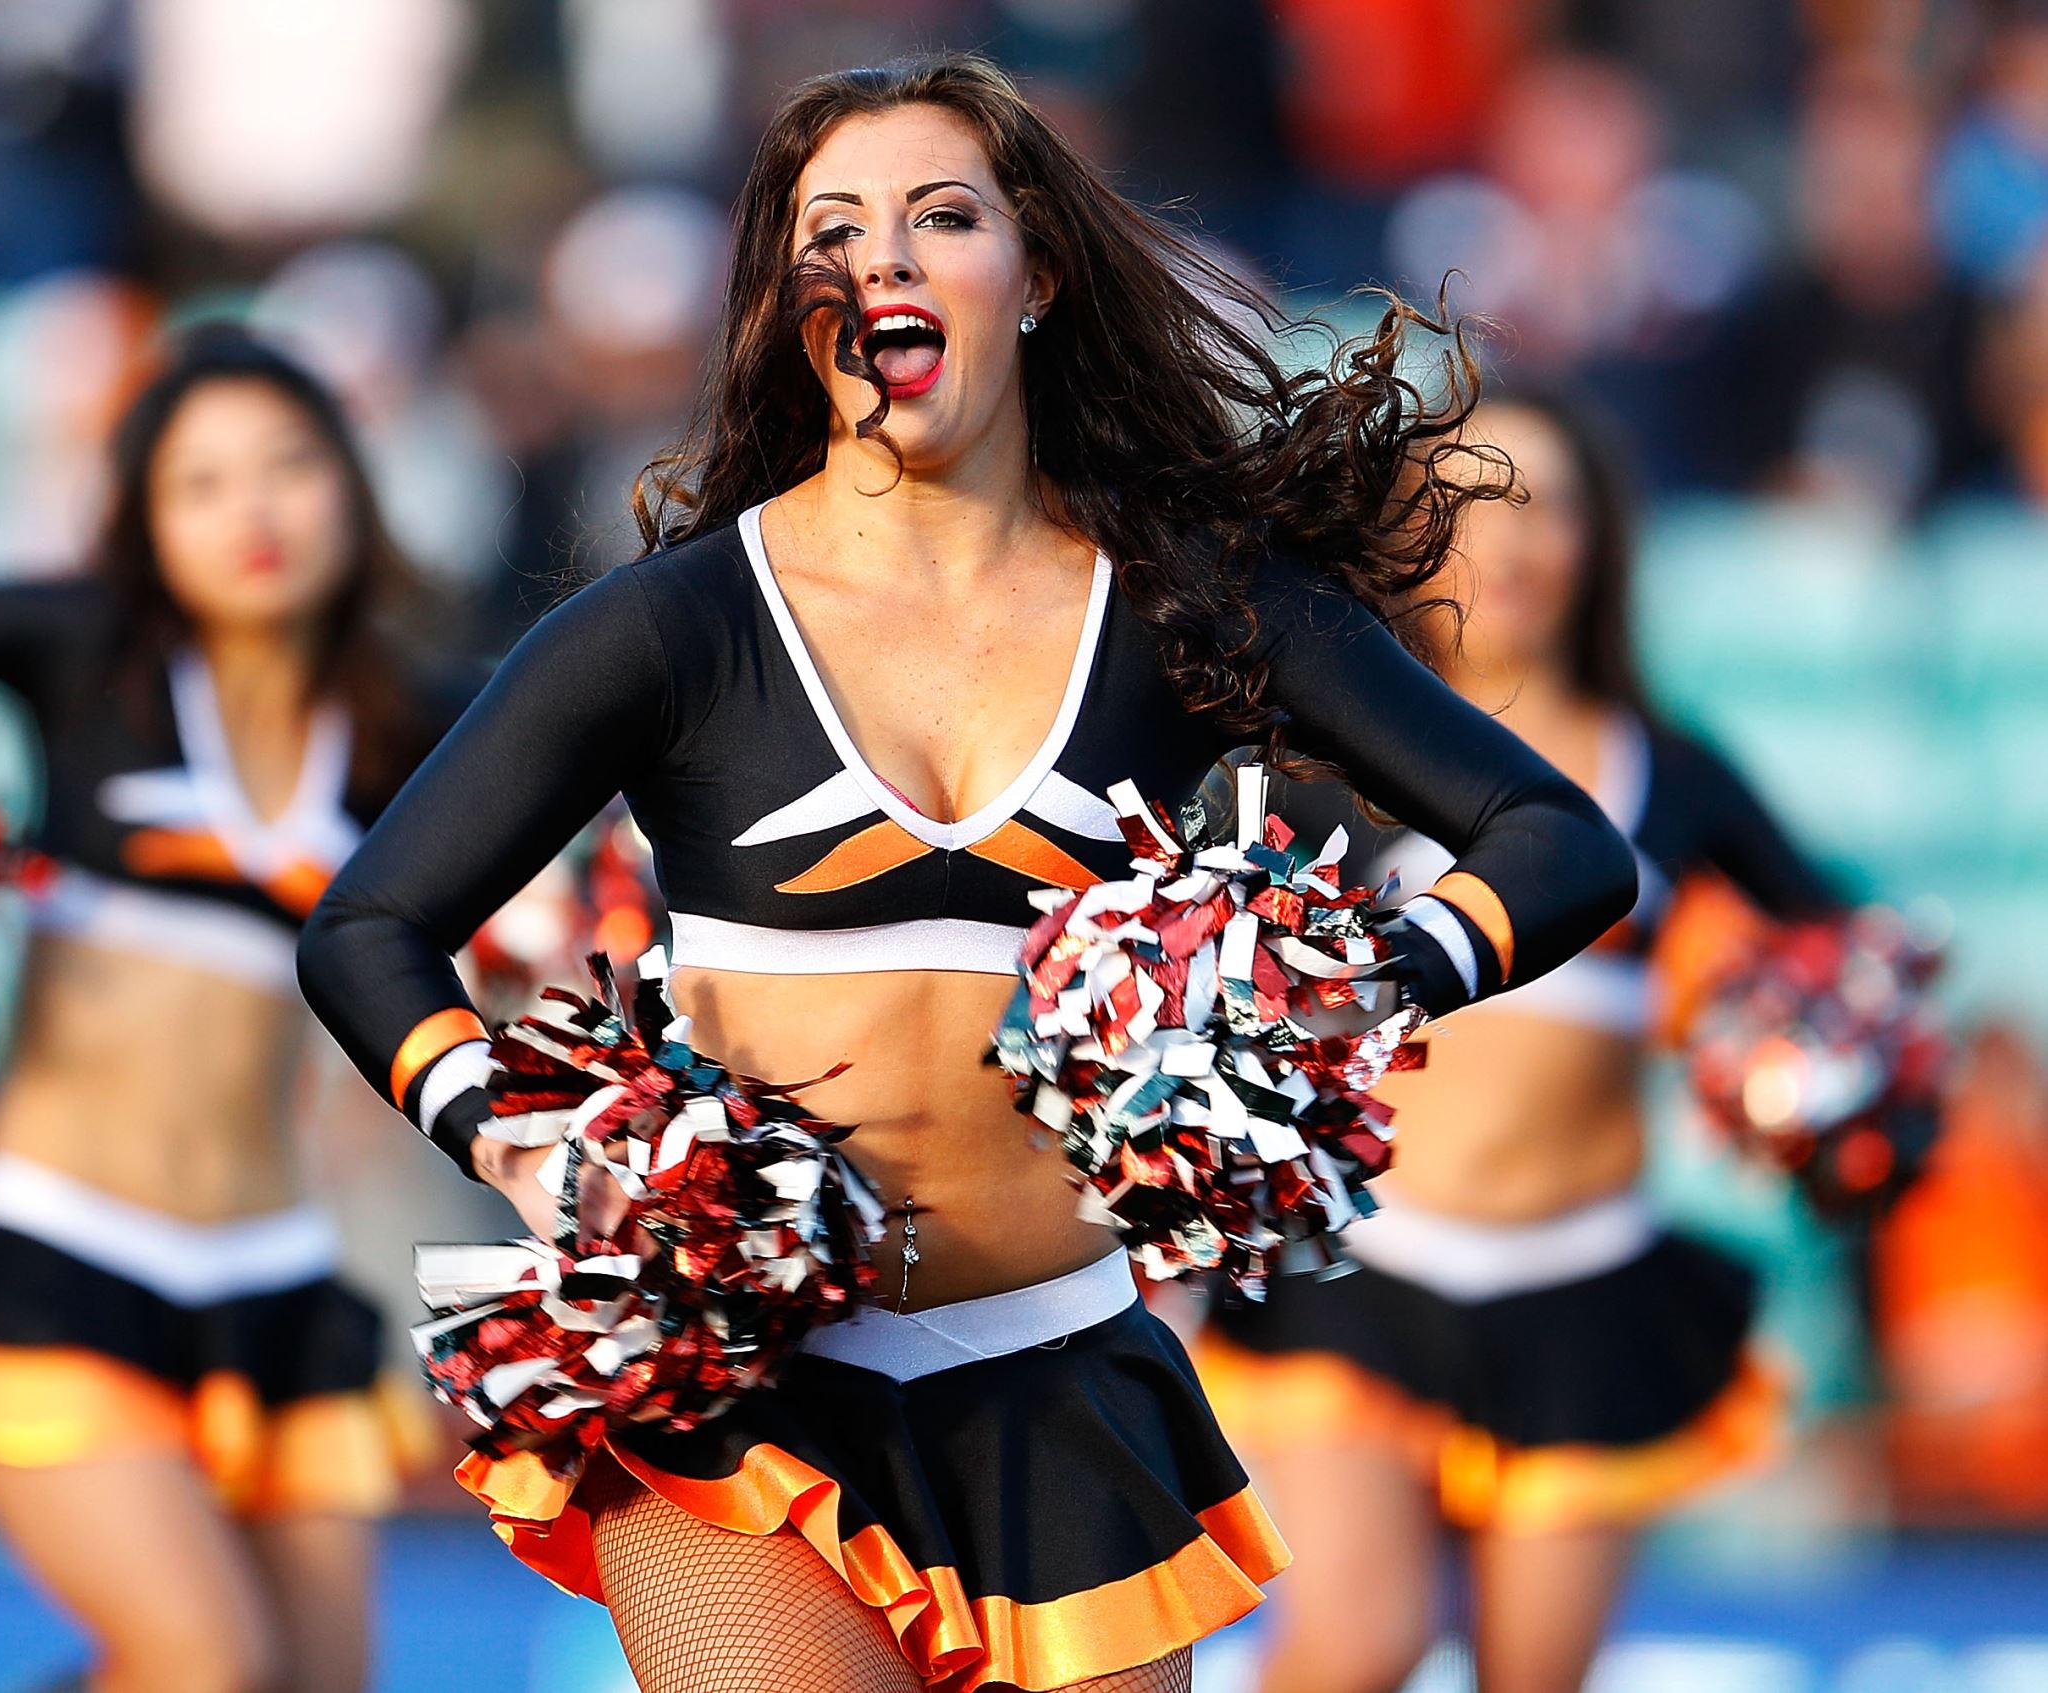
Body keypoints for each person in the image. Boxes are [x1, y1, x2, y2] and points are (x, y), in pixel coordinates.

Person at [298, 54, 1637, 1693]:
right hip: (737, 1373)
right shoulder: (675, 627)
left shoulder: (1175, 599)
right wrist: (518, 1144)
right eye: (834, 232)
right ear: (789, 307)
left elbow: (1560, 841)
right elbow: (372, 926)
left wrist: (1345, 989)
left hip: (1058, 1376)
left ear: (1039, 274)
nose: (887, 262)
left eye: (943, 216)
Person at [0, 326, 441, 1693]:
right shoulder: (87, 658)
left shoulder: (405, 721)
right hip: (66, 1256)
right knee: (205, 1661)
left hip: (275, 1273)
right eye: (202, 483)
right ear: (145, 521)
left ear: (354, 488)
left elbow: (608, 762)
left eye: (290, 467)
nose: (253, 512)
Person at [1199, 385, 1842, 1693]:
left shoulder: (1674, 771)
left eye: (1548, 503)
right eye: (1474, 499)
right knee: (1358, 1639)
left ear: (1600, 540)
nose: (1513, 537)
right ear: (1411, 533)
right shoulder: (1332, 757)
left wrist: (1806, 1057)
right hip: (1361, 1275)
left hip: (1585, 1288)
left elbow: (1834, 952)